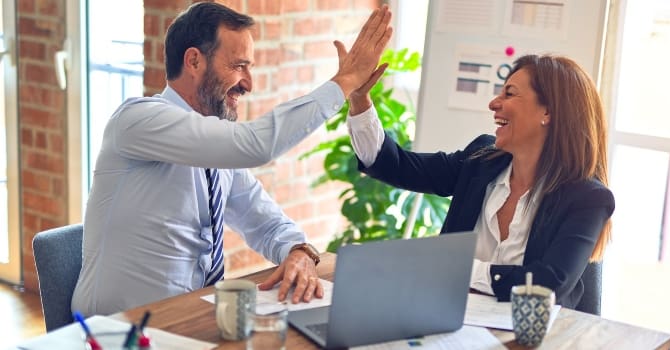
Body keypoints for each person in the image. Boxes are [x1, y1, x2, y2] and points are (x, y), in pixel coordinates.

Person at [72, 2, 392, 316]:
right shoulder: (138, 120)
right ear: (194, 61)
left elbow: (263, 220)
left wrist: (298, 251)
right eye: (239, 65)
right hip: (117, 331)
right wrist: (345, 81)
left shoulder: (216, 150)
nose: (248, 83)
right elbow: (256, 145)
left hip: (190, 320)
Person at [346, 54, 614, 309]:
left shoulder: (587, 198)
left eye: (509, 93)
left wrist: (457, 268)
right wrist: (359, 100)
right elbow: (396, 166)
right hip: (451, 324)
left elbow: (548, 284)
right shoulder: (481, 161)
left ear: (548, 112)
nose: (494, 103)